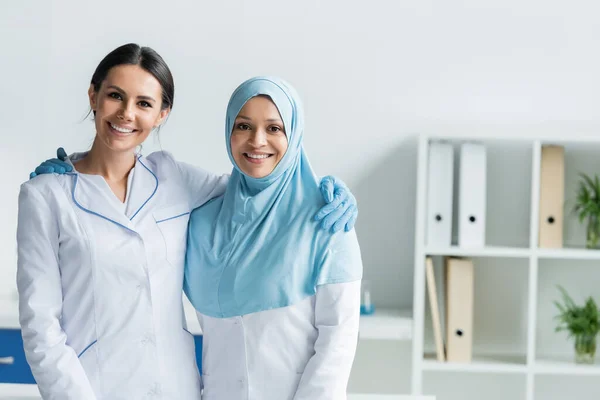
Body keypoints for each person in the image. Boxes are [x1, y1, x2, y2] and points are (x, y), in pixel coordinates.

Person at [18, 44, 357, 399]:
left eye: (144, 103)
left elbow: (259, 187)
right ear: (93, 96)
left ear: (162, 113)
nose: (126, 114)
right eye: (115, 96)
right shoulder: (45, 196)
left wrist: (323, 192)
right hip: (97, 388)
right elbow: (40, 326)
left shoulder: (173, 179)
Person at [184, 76, 363, 400]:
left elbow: (337, 341)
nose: (257, 141)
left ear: (293, 134)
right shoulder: (202, 219)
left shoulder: (327, 219)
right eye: (243, 126)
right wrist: (73, 173)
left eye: (274, 128)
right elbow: (142, 182)